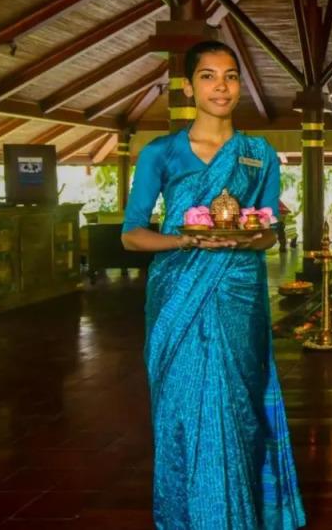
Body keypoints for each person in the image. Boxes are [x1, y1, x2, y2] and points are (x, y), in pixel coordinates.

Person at [122, 41, 306, 529]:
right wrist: (185, 239)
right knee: (180, 408)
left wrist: (248, 239)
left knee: (240, 405)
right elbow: (132, 234)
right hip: (177, 293)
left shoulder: (258, 154)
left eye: (230, 76)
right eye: (208, 76)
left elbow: (269, 231)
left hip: (239, 294)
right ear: (189, 87)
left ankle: (240, 515)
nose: (220, 86)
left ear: (240, 85)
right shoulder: (161, 153)